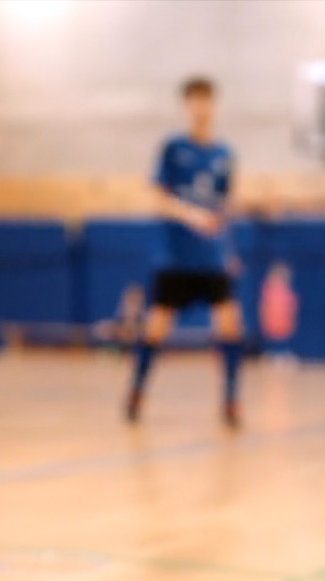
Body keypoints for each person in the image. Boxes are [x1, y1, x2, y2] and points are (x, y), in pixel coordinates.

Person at [126, 75, 243, 428]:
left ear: (214, 106)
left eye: (206, 101)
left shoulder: (225, 154)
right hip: (174, 257)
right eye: (194, 102)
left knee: (230, 327)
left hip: (212, 259)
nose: (200, 109)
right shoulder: (172, 148)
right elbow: (159, 199)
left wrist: (228, 247)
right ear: (186, 107)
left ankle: (231, 400)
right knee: (156, 329)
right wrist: (190, 215)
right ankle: (137, 391)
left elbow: (223, 208)